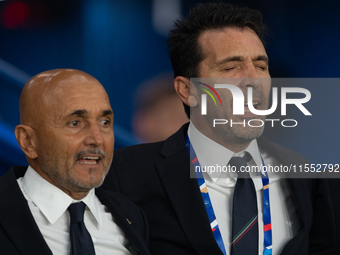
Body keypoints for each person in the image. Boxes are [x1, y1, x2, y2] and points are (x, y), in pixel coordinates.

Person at [102, 3, 335, 255]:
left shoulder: (304, 173)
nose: (253, 80)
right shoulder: (123, 174)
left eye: (260, 66)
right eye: (230, 67)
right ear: (187, 90)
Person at [0, 69, 151, 255]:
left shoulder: (132, 215)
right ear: (28, 141)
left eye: (104, 122)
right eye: (75, 123)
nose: (97, 139)